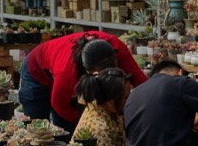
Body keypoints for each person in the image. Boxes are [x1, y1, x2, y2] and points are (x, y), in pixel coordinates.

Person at [19, 30, 147, 132]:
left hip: (59, 70)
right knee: (42, 131)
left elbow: (143, 85)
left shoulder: (117, 48)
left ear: (116, 61)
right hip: (36, 73)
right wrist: (86, 122)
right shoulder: (67, 71)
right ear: (88, 71)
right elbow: (59, 104)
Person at [73, 67, 132, 146]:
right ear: (109, 102)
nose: (130, 100)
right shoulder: (100, 129)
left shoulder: (107, 107)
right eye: (126, 97)